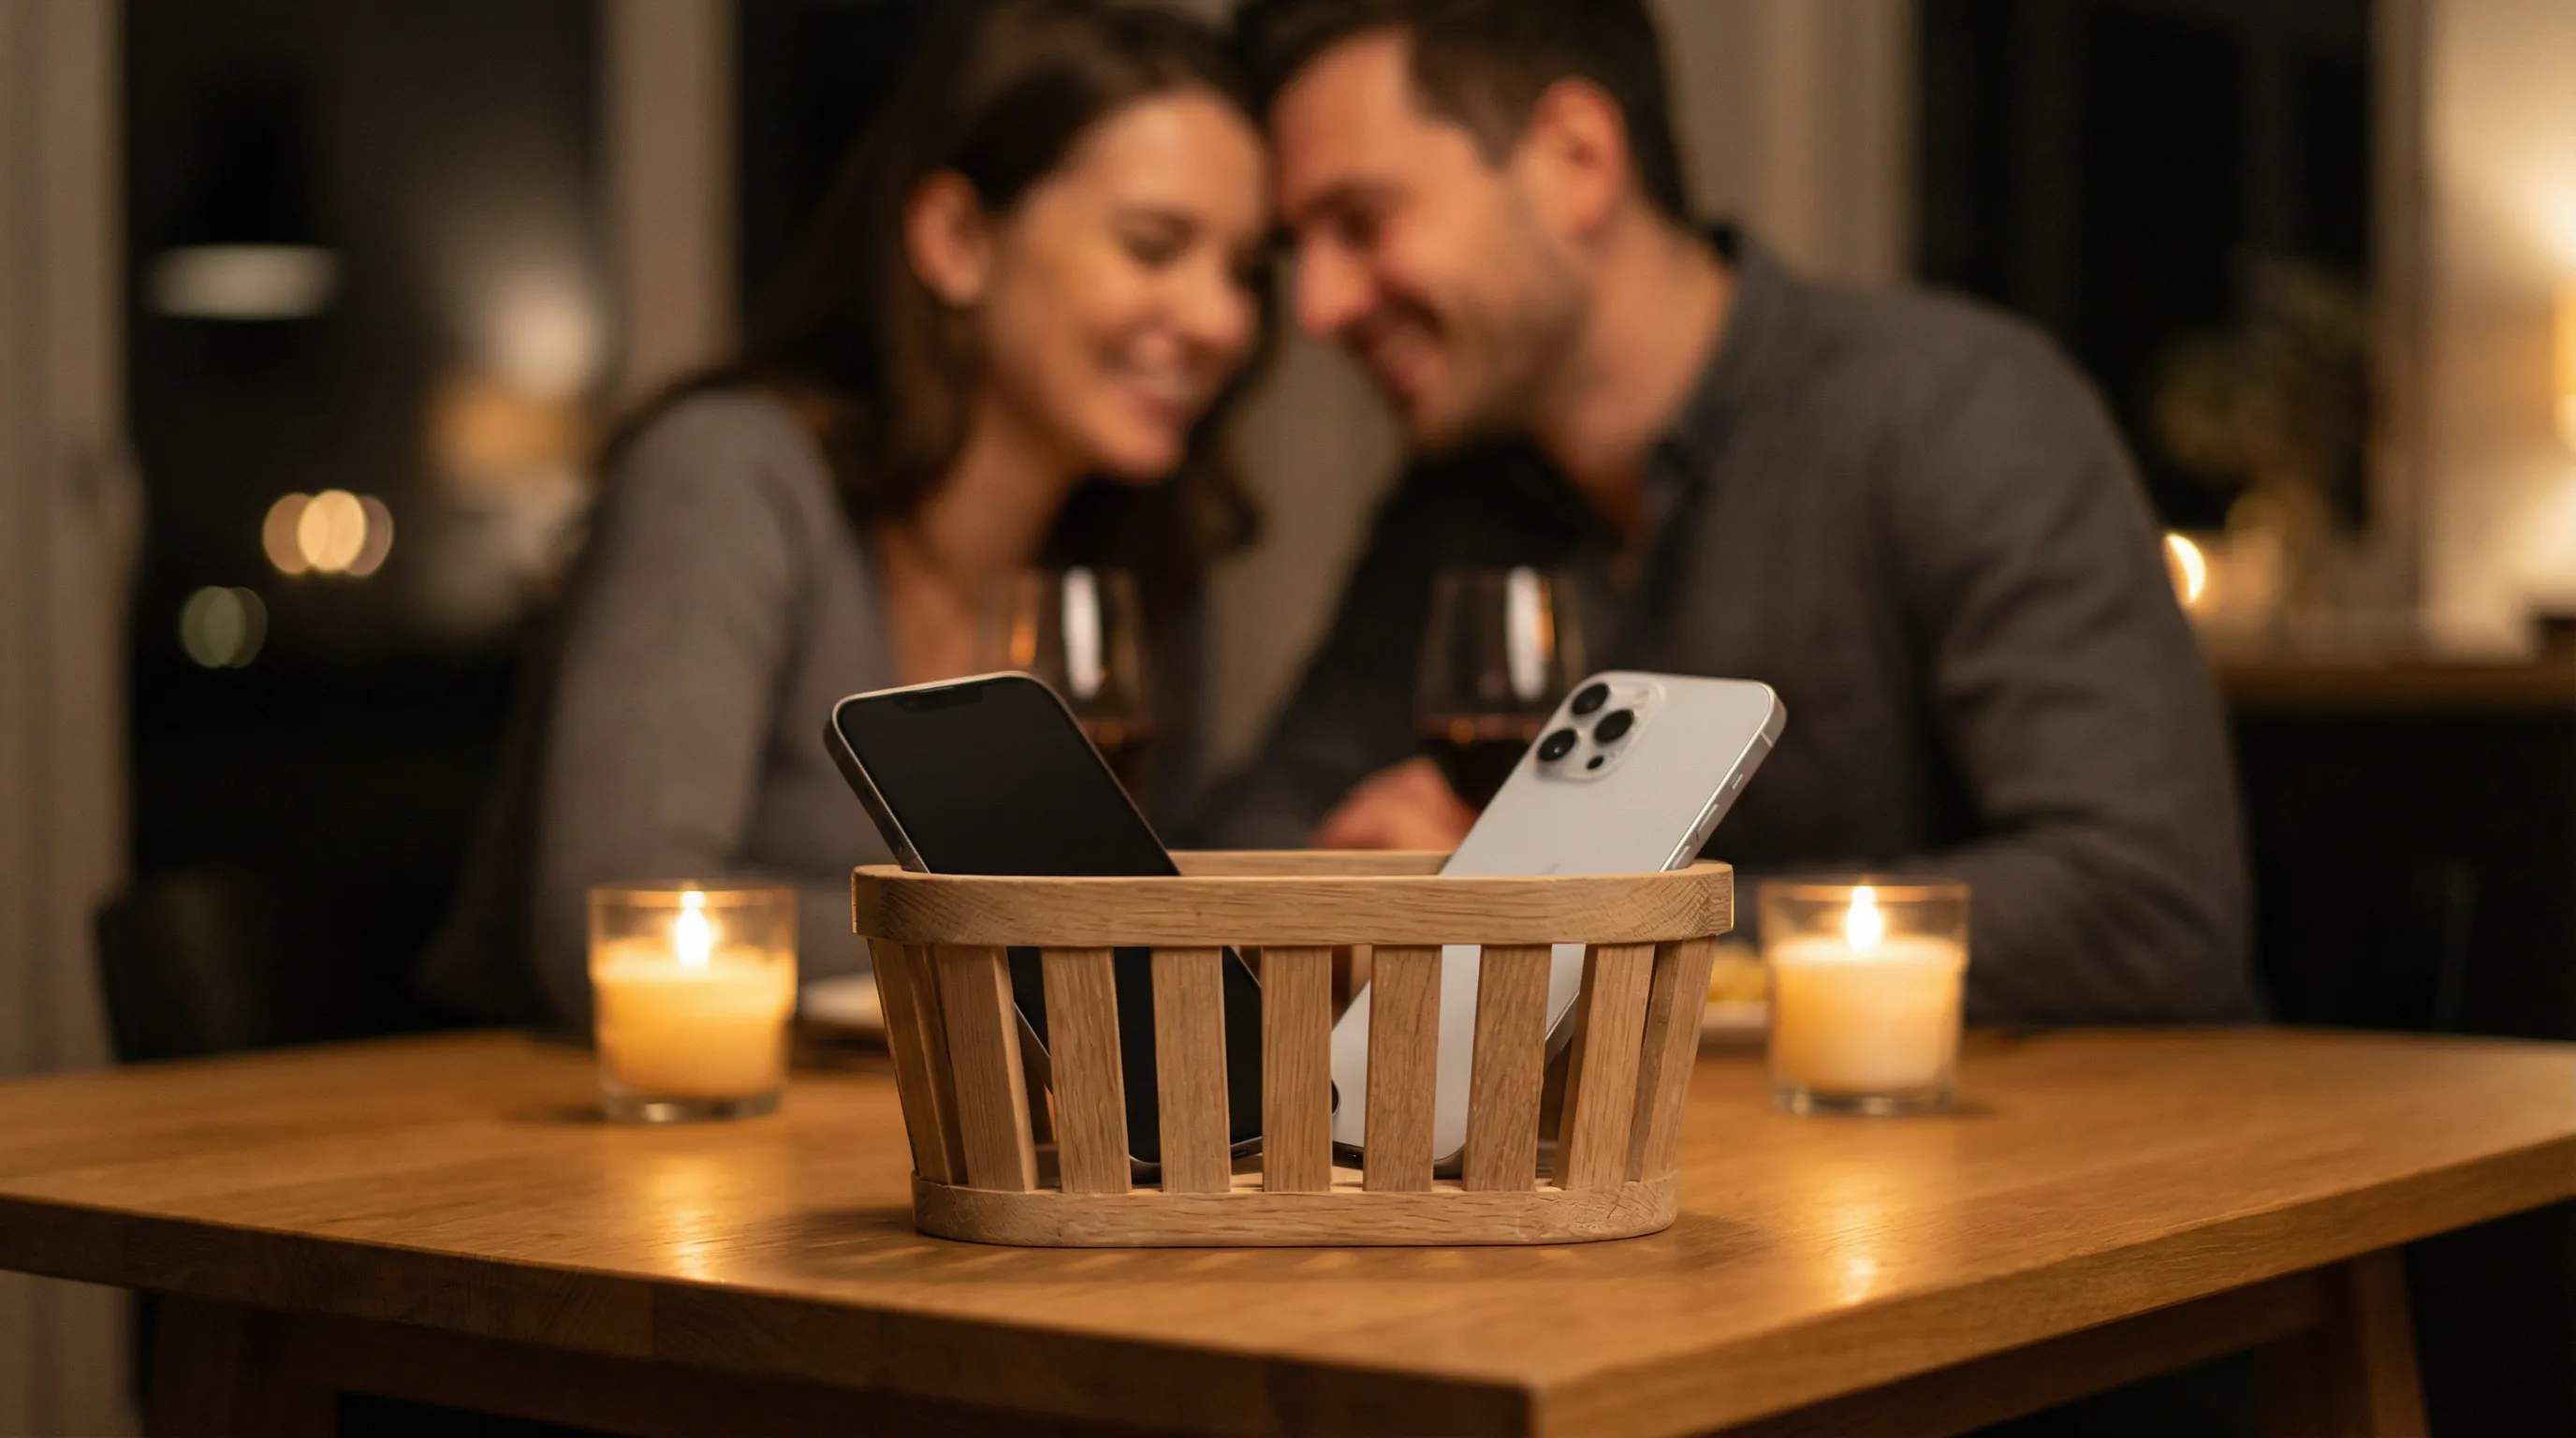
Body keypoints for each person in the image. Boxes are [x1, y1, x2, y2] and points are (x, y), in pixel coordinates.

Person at [1208, 0, 2259, 1024]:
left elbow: (2147, 905)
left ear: (1575, 156)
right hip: (1680, 1183)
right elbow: (1260, 838)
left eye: (1360, 222)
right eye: (1303, 249)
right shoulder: (1457, 506)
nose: (1317, 309)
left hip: (2076, 1168)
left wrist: (1556, 914)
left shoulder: (1950, 411)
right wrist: (1410, 893)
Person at [421, 0, 1272, 1026]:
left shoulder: (1136, 554)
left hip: (929, 1143)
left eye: (1242, 270)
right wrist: (1043, 943)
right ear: (956, 238)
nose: (1223, 321)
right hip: (567, 1140)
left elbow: (1150, 924)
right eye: (1151, 246)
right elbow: (611, 922)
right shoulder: (731, 475)